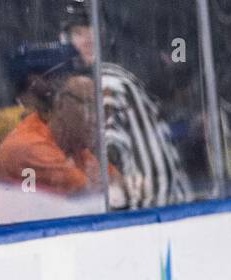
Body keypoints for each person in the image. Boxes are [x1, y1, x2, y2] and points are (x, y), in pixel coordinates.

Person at [60, 1, 192, 209]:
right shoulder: (109, 78)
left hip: (153, 212)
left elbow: (108, 155)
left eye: (92, 29)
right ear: (66, 40)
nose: (87, 40)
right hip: (168, 207)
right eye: (78, 33)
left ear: (106, 33)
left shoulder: (106, 85)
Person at [0, 54, 119, 199]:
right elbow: (94, 198)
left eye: (104, 110)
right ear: (60, 104)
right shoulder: (31, 148)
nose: (99, 119)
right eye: (90, 106)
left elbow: (119, 185)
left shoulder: (75, 148)